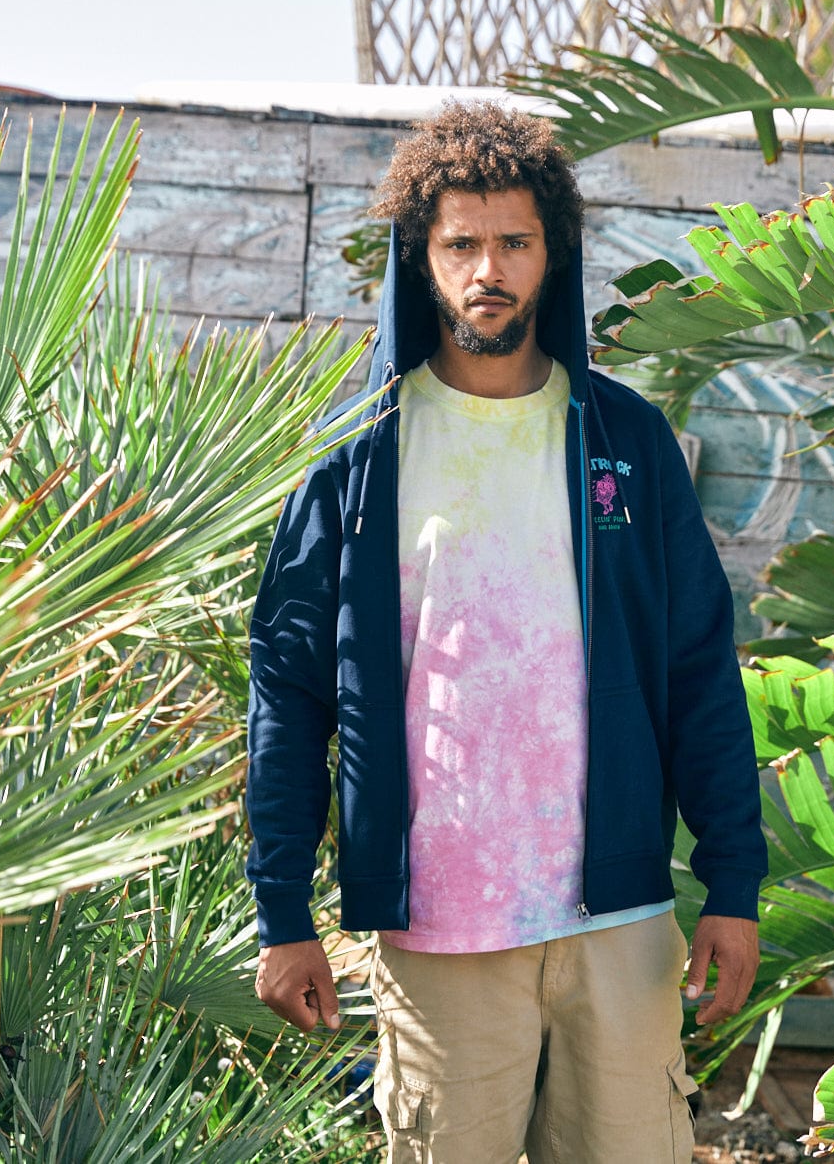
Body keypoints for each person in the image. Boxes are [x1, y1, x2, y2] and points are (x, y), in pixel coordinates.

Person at [246, 101, 767, 1162]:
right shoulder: (356, 468)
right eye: (463, 244)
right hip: (439, 931)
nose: (490, 267)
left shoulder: (625, 441)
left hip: (615, 921)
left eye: (514, 242)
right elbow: (290, 694)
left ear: (551, 254)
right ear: (423, 259)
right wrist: (282, 909)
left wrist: (734, 882)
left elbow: (699, 666)